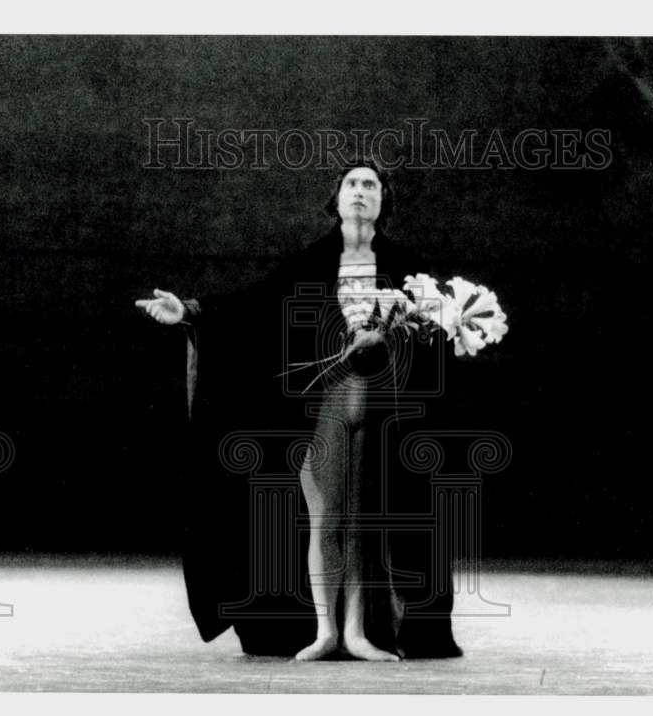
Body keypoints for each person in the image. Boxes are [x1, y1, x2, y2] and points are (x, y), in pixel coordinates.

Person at [136, 157, 462, 660]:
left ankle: (357, 632)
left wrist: (426, 328)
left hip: (380, 413)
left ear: (382, 201)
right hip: (324, 405)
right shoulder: (311, 262)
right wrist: (192, 312)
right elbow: (252, 305)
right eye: (351, 183)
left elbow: (432, 332)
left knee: (365, 521)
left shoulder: (406, 267)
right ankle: (324, 630)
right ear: (335, 200)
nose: (360, 191)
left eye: (370, 185)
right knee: (325, 517)